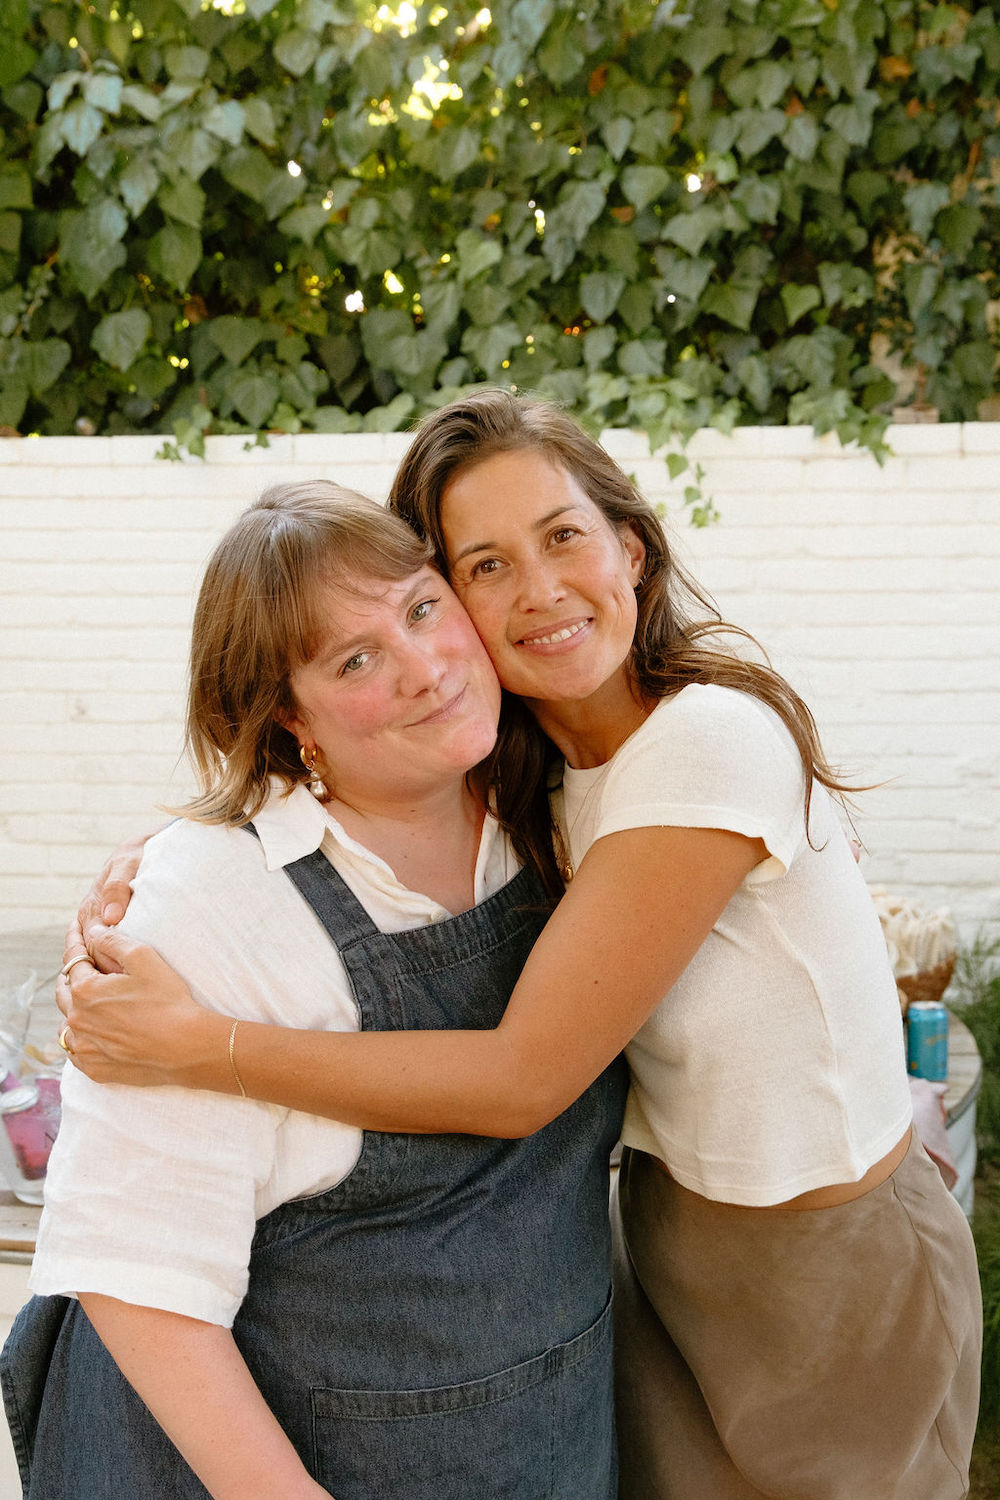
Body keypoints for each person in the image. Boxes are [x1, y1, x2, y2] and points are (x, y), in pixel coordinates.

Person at [59, 391, 982, 1499]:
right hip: (667, 1243)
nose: (536, 591)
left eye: (561, 537)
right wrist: (172, 852)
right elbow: (344, 791)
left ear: (629, 547)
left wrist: (201, 1043)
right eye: (485, 566)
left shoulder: (705, 744)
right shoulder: (530, 771)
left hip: (818, 1272)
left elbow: (523, 1079)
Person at [1, 480, 627, 1500]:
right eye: (356, 659)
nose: (426, 668)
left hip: (536, 1440)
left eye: (423, 608)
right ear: (287, 714)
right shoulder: (203, 909)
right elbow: (137, 1282)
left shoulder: (549, 804)